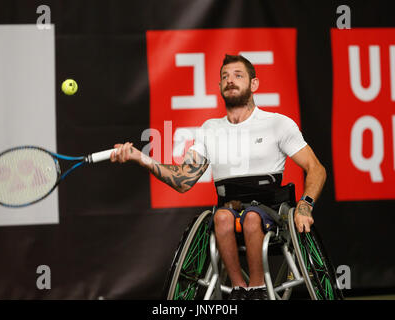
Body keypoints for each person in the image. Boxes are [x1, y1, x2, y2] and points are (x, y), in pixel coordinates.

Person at [110, 54, 326, 300]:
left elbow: (316, 168)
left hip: (271, 212)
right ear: (220, 86)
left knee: (252, 218)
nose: (230, 80)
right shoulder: (209, 130)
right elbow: (183, 180)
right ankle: (239, 290)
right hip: (230, 210)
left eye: (237, 75)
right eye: (224, 77)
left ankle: (257, 290)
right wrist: (142, 158)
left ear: (254, 84)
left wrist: (305, 205)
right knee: (221, 217)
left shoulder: (277, 124)